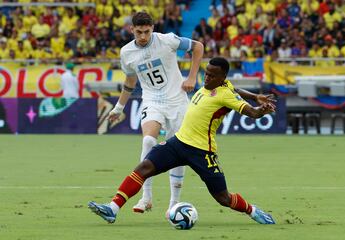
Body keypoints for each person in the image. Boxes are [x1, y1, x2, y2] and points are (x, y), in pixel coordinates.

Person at [89, 57, 276, 225]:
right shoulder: (222, 85)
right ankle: (112, 209)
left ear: (222, 77)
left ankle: (253, 211)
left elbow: (250, 111)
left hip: (202, 152)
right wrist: (254, 95)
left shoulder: (226, 95)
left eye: (212, 75)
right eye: (206, 73)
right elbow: (234, 87)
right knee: (143, 167)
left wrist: (260, 109)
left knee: (223, 197)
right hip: (178, 143)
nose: (207, 78)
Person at [107, 11, 204, 215]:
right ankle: (146, 197)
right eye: (139, 32)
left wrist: (192, 77)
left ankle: (173, 204)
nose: (143, 36)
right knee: (148, 142)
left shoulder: (167, 40)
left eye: (147, 31)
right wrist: (118, 107)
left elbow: (198, 47)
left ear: (153, 28)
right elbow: (130, 81)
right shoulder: (126, 53)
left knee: (179, 152)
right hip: (152, 101)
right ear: (132, 29)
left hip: (177, 102)